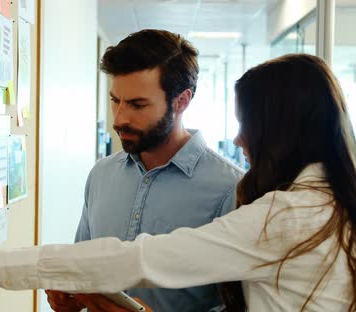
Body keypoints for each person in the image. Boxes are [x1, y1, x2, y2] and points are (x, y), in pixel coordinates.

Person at [0, 54, 356, 311]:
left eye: (251, 126)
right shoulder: (334, 208)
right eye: (115, 101)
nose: (242, 140)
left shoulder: (283, 214)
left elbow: (144, 257)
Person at [46, 29, 243, 312]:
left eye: (138, 105)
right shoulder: (101, 176)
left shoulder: (231, 189)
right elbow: (82, 266)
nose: (120, 118)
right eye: (116, 100)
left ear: (182, 101)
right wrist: (70, 294)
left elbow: (241, 305)